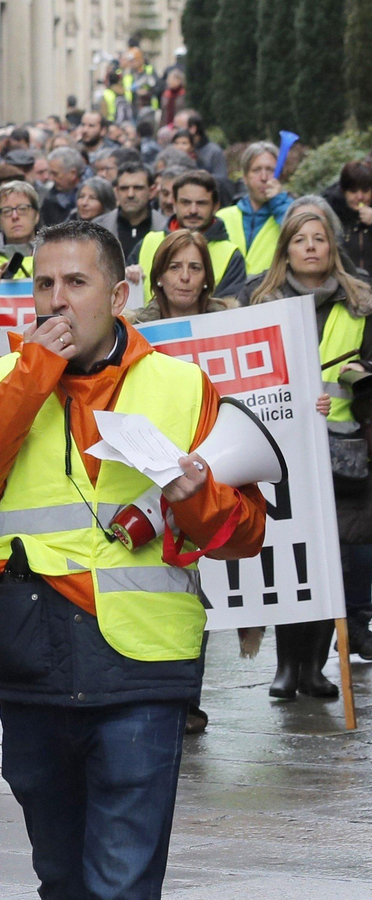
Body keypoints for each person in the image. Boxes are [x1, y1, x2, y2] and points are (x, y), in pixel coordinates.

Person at [0, 218, 265, 900]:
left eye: (76, 282)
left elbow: (244, 533)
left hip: (142, 663)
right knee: (61, 875)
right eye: (44, 284)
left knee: (122, 880)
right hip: (32, 657)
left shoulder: (182, 386)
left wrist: (198, 502)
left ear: (118, 295)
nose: (57, 300)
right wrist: (30, 379)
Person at [249, 211, 372, 686]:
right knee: (290, 550)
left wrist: (353, 378)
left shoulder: (361, 302)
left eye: (320, 238)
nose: (311, 247)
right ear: (286, 249)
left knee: (331, 557)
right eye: (300, 239)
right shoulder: (261, 300)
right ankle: (286, 667)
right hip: (281, 446)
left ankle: (315, 669)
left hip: (343, 450)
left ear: (333, 246)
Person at [132, 170, 246, 301]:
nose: (193, 210)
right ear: (174, 204)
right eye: (186, 202)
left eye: (201, 203)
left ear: (216, 206)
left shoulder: (231, 255)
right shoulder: (148, 243)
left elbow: (228, 312)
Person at [126, 230, 240, 325]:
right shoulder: (135, 329)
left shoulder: (232, 324)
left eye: (194, 268)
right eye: (174, 267)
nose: (185, 277)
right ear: (159, 277)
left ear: (206, 278)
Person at [218, 142, 293, 277]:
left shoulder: (289, 211)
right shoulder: (223, 217)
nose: (264, 178)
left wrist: (279, 202)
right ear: (245, 177)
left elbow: (297, 231)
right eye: (256, 170)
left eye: (270, 170)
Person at [92, 164, 165, 271]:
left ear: (152, 191)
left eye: (138, 188)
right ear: (116, 192)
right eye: (124, 188)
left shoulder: (166, 227)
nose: (130, 194)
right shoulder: (98, 227)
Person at [0, 180, 42, 280]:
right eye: (7, 211)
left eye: (22, 209)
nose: (15, 216)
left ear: (36, 216)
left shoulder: (56, 259)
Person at [327, 160, 372, 274]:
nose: (360, 197)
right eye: (353, 191)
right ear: (344, 191)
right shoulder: (331, 215)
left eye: (365, 190)